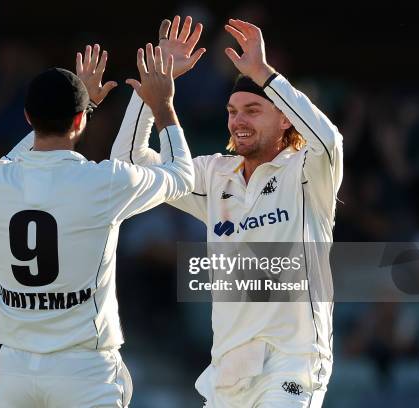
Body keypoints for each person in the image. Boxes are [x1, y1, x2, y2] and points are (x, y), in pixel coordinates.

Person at [111, 16, 343, 407]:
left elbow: (328, 138)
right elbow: (129, 164)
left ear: (285, 117)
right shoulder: (215, 175)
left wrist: (264, 74)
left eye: (253, 109)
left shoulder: (308, 172)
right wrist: (150, 93)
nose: (238, 121)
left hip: (292, 365)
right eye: (232, 111)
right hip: (228, 374)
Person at [0, 42, 195, 407]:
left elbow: (21, 152)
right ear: (80, 121)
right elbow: (181, 175)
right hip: (83, 370)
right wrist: (162, 105)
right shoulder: (102, 183)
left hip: (15, 370)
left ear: (28, 117)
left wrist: (81, 103)